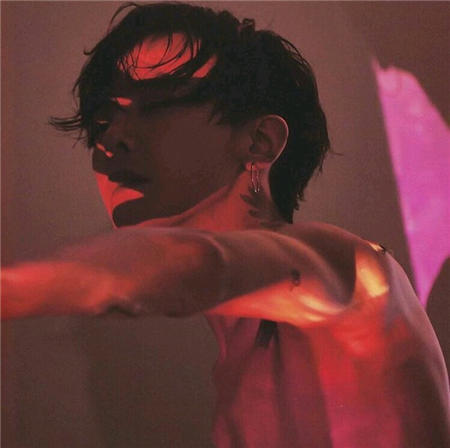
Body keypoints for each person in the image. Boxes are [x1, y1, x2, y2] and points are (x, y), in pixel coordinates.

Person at [2, 2, 449, 446]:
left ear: (260, 140)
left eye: (156, 105)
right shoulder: (234, 367)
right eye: (103, 119)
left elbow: (204, 264)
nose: (111, 139)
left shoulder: (349, 271)